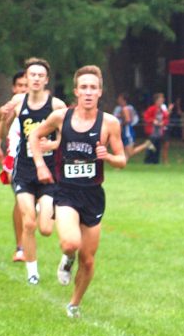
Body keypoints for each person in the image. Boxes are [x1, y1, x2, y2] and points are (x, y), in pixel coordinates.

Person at [27, 65, 126, 317]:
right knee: (71, 243)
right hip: (66, 192)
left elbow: (122, 160)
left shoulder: (110, 123)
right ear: (76, 91)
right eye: (84, 87)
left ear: (100, 92)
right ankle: (67, 258)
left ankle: (74, 304)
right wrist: (40, 166)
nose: (88, 92)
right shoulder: (62, 117)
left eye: (93, 87)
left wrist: (109, 157)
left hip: (93, 195)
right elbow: (35, 136)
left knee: (89, 259)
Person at [0, 58, 67, 284]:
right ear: (26, 79)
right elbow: (5, 128)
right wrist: (3, 117)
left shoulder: (56, 106)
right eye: (32, 75)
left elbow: (67, 138)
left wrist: (52, 145)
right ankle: (32, 273)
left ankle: (41, 205)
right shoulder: (18, 101)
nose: (35, 78)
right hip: (24, 169)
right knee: (28, 222)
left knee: (46, 229)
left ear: (46, 80)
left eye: (40, 75)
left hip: (48, 171)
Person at [0, 71, 28, 262]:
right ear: (14, 88)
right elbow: (1, 127)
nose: (23, 89)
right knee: (20, 201)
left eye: (26, 85)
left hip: (39, 159)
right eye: (20, 86)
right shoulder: (10, 107)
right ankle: (20, 248)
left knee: (35, 206)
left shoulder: (42, 106)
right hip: (16, 158)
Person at [114, 93, 153, 161]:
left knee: (130, 152)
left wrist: (121, 123)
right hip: (126, 131)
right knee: (125, 151)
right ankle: (120, 167)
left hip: (127, 132)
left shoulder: (125, 109)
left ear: (124, 101)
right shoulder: (124, 108)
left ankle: (146, 144)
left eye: (120, 99)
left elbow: (128, 120)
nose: (118, 100)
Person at [142, 93, 172, 165]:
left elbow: (166, 118)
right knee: (150, 146)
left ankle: (155, 161)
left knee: (157, 147)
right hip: (152, 131)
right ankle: (148, 160)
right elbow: (146, 117)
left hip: (159, 132)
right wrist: (153, 121)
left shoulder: (162, 110)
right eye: (160, 100)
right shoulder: (152, 109)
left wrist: (163, 123)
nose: (161, 102)